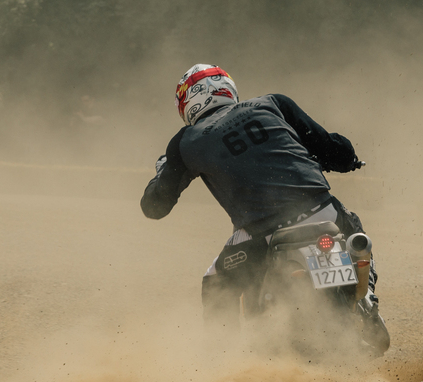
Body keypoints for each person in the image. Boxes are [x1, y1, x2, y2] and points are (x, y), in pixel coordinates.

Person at [140, 64, 387, 346]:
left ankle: (223, 365)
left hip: (259, 236)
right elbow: (335, 152)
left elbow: (154, 207)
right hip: (322, 213)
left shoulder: (185, 142)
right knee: (355, 233)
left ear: (186, 104)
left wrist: (163, 170)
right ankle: (367, 299)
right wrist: (349, 158)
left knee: (215, 283)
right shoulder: (273, 103)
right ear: (227, 88)